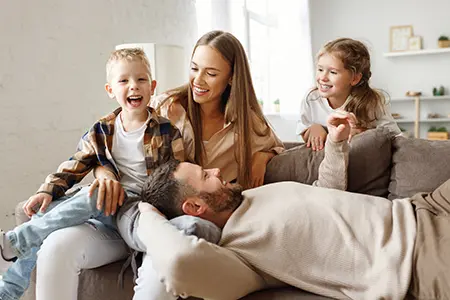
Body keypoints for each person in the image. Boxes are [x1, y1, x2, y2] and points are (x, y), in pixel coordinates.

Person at [137, 111, 450, 300]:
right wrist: (144, 215)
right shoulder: (240, 255)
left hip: (425, 206)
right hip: (418, 256)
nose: (217, 171)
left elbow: (325, 193)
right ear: (194, 208)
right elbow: (180, 261)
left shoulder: (253, 196)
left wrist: (336, 143)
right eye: (206, 176)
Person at [0, 48, 220, 300]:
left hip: (141, 206)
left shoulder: (167, 132)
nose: (134, 86)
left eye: (141, 79)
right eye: (124, 81)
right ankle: (9, 286)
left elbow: (179, 174)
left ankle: (14, 244)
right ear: (110, 90)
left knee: (92, 196)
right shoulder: (102, 130)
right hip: (108, 207)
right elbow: (75, 164)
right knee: (52, 210)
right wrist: (46, 189)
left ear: (153, 86)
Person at [90, 30, 284, 299]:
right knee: (158, 269)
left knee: (168, 266)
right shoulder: (166, 106)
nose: (198, 80)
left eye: (212, 73)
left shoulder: (248, 123)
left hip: (203, 218)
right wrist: (104, 172)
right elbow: (111, 140)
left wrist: (265, 155)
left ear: (231, 77)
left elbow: (278, 147)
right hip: (161, 212)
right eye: (194, 68)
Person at [296, 37, 400, 151]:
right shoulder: (311, 99)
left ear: (354, 78)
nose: (323, 78)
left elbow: (393, 136)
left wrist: (362, 133)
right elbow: (303, 129)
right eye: (320, 69)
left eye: (333, 72)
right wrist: (313, 129)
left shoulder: (371, 102)